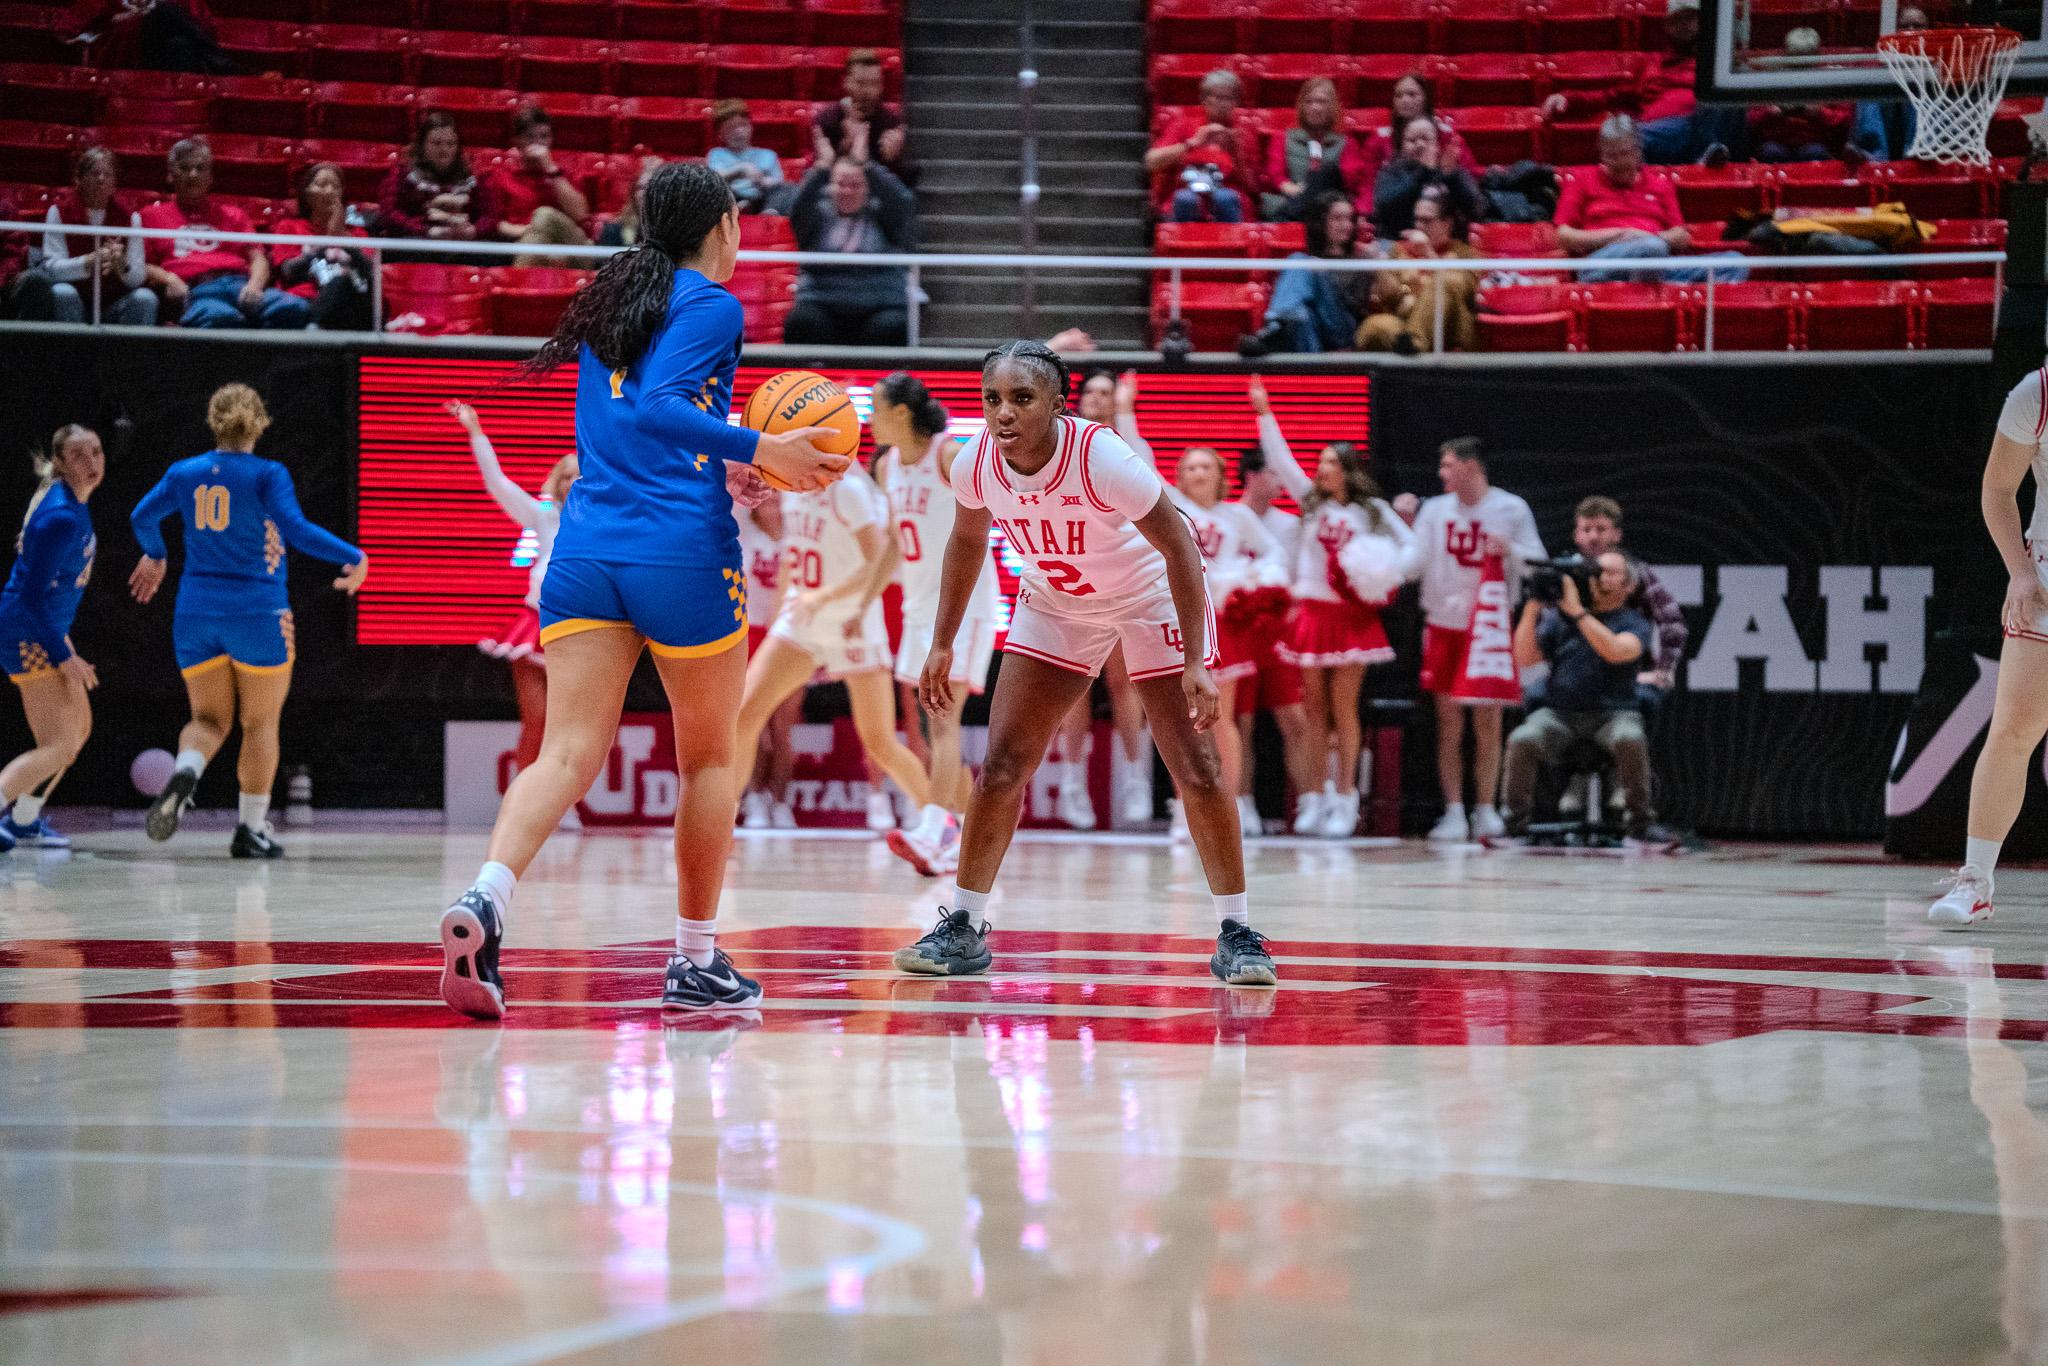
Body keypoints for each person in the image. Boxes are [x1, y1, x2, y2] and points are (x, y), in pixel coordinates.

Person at [431, 160, 846, 1020]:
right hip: (680, 560)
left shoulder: (615, 303)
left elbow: (641, 429)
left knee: (566, 753)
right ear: (723, 227)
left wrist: (735, 466)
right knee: (710, 760)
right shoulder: (713, 304)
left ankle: (486, 899)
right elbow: (662, 409)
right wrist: (763, 450)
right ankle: (696, 961)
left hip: (586, 553)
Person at [890, 340, 1278, 990]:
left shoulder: (1098, 454)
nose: (1003, 413)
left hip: (1149, 592)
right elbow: (965, 540)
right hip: (1058, 600)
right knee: (1004, 764)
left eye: (1021, 398)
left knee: (1196, 767)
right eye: (992, 399)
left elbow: (1179, 545)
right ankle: (963, 924)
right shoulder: (975, 462)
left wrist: (1194, 660)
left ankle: (1237, 930)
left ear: (1057, 404)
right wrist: (943, 641)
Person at [129, 384, 367, 859]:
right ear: (260, 423)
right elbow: (297, 531)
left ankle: (188, 770)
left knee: (207, 719)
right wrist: (353, 555)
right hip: (259, 614)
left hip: (195, 613)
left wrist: (156, 554)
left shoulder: (184, 472)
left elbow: (141, 516)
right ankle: (251, 829)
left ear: (213, 422)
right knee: (259, 723)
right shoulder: (267, 474)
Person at [732, 451, 942, 851]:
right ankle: (720, 821)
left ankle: (941, 827)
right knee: (744, 713)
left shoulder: (849, 491)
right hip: (804, 620)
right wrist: (784, 614)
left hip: (853, 622)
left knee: (880, 741)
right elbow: (793, 562)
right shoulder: (791, 488)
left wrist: (825, 597)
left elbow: (878, 562)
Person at [1248, 394, 1417, 838]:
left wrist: (1382, 575)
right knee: (1314, 713)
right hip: (1311, 613)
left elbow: (1412, 549)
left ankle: (1346, 801)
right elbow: (1282, 462)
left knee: (1345, 709)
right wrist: (1265, 413)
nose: (1322, 470)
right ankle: (1315, 797)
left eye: (1329, 463)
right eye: (1319, 463)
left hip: (1351, 618)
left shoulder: (1372, 511)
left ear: (1348, 468)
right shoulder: (1311, 503)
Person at [1927, 366, 2048, 928]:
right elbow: (1998, 490)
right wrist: (2020, 574)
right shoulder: (2037, 391)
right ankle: (1976, 882)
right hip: (2046, 583)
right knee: (2014, 728)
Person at [875, 373, 998, 876]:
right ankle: (968, 842)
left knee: (943, 721)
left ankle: (933, 827)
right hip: (920, 607)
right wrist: (860, 602)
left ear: (902, 413)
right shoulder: (885, 467)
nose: (870, 419)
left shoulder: (947, 455)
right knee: (933, 723)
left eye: (878, 409)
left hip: (963, 604)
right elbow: (892, 546)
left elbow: (987, 507)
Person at [1404, 437, 1545, 843]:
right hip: (1444, 625)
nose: (1441, 473)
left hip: (1489, 625)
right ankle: (1453, 812)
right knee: (1448, 722)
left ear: (1471, 467)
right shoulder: (1433, 510)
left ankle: (1486, 810)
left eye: (1448, 465)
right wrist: (1395, 535)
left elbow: (1537, 562)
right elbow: (1413, 563)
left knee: (1488, 721)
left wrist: (1510, 548)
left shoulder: (1511, 508)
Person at [449, 401, 578, 797]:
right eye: (567, 476)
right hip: (534, 623)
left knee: (570, 725)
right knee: (536, 719)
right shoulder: (544, 517)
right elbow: (498, 484)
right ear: (557, 482)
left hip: (577, 629)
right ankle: (526, 800)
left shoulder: (605, 521)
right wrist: (476, 432)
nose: (574, 482)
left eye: (582, 477)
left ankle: (562, 802)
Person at [1048, 369, 1156, 829]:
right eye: (1088, 390)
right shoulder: (1061, 444)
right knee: (1074, 686)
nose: (1096, 398)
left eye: (1106, 392)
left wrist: (1128, 414)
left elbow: (1152, 496)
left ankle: (1136, 783)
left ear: (1116, 402)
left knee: (1125, 683)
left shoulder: (1128, 448)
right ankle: (1073, 786)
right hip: (1071, 576)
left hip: (1122, 577)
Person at [1495, 552, 1659, 844]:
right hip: (1560, 715)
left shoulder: (1634, 622)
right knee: (1523, 738)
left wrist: (1579, 613)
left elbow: (1615, 651)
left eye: (1611, 573)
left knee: (1629, 737)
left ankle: (1641, 826)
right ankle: (1514, 825)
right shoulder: (1560, 618)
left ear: (1629, 585)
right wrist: (1533, 606)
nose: (1601, 578)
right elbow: (1524, 658)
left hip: (1614, 714)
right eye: (1597, 571)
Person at [0, 425, 105, 850]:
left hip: (47, 630)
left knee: (77, 733)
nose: (92, 463)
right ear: (60, 462)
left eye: (97, 452)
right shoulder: (61, 518)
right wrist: (63, 656)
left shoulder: (74, 504)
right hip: (29, 633)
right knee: (59, 745)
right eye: (79, 456)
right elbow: (29, 598)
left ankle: (24, 820)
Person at [1540, 0, 1747, 166]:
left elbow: (1748, 106)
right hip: (1662, 137)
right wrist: (1569, 99)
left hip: (1710, 129)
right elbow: (1616, 94)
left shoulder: (1718, 64)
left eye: (1692, 19)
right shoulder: (1653, 64)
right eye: (1679, 19)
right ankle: (1703, 159)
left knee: (1718, 96)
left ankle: (1706, 156)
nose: (1685, 25)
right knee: (1627, 136)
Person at [140, 139, 309, 329]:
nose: (193, 175)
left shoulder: (233, 214)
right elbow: (139, 265)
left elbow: (258, 258)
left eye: (200, 168)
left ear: (211, 177)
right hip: (196, 290)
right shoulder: (150, 216)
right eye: (185, 168)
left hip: (242, 285)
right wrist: (166, 277)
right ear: (170, 175)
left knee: (295, 308)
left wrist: (254, 284)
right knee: (221, 318)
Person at [1558, 116, 1747, 285]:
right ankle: (1649, 298)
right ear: (1601, 155)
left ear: (1639, 151)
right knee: (1652, 250)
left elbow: (1680, 236)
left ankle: (1645, 293)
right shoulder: (1581, 179)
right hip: (1603, 262)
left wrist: (1650, 238)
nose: (1618, 161)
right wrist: (1620, 235)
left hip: (1657, 260)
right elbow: (1563, 235)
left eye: (1624, 154)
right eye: (1611, 155)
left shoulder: (1660, 184)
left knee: (1735, 262)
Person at [784, 158, 916, 347]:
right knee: (802, 321)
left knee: (892, 326)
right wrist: (821, 171)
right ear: (830, 186)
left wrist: (870, 167)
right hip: (823, 302)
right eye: (841, 184)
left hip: (879, 303)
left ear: (868, 187)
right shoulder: (816, 215)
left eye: (855, 185)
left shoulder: (886, 216)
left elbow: (902, 202)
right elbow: (798, 209)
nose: (847, 192)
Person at [1237, 190, 1372, 358]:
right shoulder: (1309, 261)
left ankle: (1273, 327)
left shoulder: (1361, 258)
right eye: (1337, 219)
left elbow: (1357, 307)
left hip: (1341, 329)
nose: (1346, 225)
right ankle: (1285, 335)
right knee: (1301, 315)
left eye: (1349, 219)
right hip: (1310, 326)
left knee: (1298, 260)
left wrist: (1322, 277)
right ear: (1321, 222)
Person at [734, 495, 798, 830]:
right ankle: (755, 798)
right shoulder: (743, 529)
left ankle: (781, 802)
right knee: (752, 724)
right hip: (749, 634)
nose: (772, 495)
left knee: (783, 728)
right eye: (766, 489)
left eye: (779, 489)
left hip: (789, 635)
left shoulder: (798, 532)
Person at [1358, 183, 1482, 355]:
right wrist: (1380, 269)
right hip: (1405, 323)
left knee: (1446, 281)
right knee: (1375, 326)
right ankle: (1413, 344)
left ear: (1447, 223)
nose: (1420, 226)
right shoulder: (1398, 251)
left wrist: (1428, 252)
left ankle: (1417, 341)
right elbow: (1390, 299)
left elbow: (1464, 289)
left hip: (1448, 329)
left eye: (1427, 220)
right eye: (1417, 219)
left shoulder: (1464, 253)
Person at [38, 146, 155, 327]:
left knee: (145, 299)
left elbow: (137, 277)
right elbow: (51, 269)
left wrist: (122, 265)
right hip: (74, 299)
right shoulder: (58, 213)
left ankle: (131, 356)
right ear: (79, 179)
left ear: (114, 181)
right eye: (94, 173)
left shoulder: (130, 218)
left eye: (107, 174)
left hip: (114, 304)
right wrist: (88, 262)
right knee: (61, 293)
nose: (101, 179)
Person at [374, 113, 499, 255]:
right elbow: (389, 213)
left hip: (463, 247)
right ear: (422, 145)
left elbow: (490, 216)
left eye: (450, 144)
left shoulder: (474, 175)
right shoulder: (402, 173)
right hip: (416, 246)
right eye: (436, 143)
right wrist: (426, 231)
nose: (444, 150)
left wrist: (473, 230)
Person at [1353, 73, 1481, 210]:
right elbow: (1368, 185)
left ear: (1426, 98)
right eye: (1398, 95)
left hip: (1442, 210)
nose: (1404, 100)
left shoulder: (1448, 137)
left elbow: (1470, 177)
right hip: (1396, 209)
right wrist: (1368, 212)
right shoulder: (1379, 139)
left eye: (1412, 94)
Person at [1145, 70, 1257, 225]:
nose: (1223, 103)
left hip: (1229, 202)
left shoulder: (1243, 132)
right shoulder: (1183, 124)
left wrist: (1236, 152)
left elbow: (1253, 188)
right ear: (1204, 99)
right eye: (1217, 97)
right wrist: (1191, 143)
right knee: (1185, 199)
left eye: (1229, 98)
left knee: (1225, 197)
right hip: (1186, 198)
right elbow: (1151, 161)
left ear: (1236, 102)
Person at [270, 162, 371, 332]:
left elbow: (369, 273)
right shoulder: (288, 227)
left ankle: (316, 330)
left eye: (335, 186)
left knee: (342, 282)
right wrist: (324, 244)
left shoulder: (358, 233)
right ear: (307, 195)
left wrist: (343, 237)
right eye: (322, 184)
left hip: (351, 304)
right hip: (306, 300)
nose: (330, 191)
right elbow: (288, 272)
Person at [487, 105, 594, 266]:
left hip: (568, 242)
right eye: (530, 137)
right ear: (517, 141)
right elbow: (496, 223)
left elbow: (580, 214)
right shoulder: (502, 176)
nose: (538, 143)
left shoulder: (564, 172)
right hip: (522, 243)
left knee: (544, 215)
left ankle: (514, 286)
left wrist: (550, 169)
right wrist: (531, 230)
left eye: (544, 136)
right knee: (540, 246)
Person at [1260, 77, 1368, 223]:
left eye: (1321, 102)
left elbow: (1348, 183)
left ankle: (1286, 217)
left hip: (1328, 204)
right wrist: (1292, 189)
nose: (1315, 107)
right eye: (1309, 102)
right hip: (1290, 196)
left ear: (1332, 106)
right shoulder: (1283, 138)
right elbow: (1275, 174)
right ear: (1301, 106)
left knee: (1328, 170)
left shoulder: (1346, 142)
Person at [1369, 115, 1482, 243]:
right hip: (1400, 245)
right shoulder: (1391, 171)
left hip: (1446, 248)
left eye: (1425, 139)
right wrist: (1424, 171)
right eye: (1412, 140)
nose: (1420, 145)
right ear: (1402, 146)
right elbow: (1385, 205)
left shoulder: (1451, 171)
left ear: (1437, 144)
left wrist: (1452, 178)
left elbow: (1476, 209)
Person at [812, 49, 916, 189]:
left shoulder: (891, 123)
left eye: (874, 83)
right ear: (846, 82)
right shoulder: (828, 119)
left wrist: (895, 159)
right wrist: (846, 146)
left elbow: (898, 190)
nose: (867, 91)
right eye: (861, 83)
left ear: (881, 86)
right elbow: (821, 181)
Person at [707, 100, 787, 215]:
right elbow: (714, 179)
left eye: (743, 125)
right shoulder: (717, 153)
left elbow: (778, 182)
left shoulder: (768, 155)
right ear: (720, 134)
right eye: (731, 128)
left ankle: (769, 215)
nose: (739, 132)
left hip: (760, 199)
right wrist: (740, 171)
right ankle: (739, 209)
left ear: (751, 126)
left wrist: (763, 181)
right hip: (731, 198)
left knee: (787, 189)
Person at [596, 156, 664, 248]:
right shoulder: (614, 230)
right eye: (641, 187)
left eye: (652, 187)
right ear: (633, 194)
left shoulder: (672, 230)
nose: (646, 193)